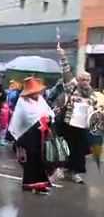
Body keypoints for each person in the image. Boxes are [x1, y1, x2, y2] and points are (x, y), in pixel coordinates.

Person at [58, 45, 99, 184]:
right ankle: (62, 168)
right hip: (69, 124)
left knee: (80, 151)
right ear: (78, 80)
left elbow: (95, 110)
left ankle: (74, 172)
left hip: (82, 127)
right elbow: (66, 72)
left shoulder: (92, 94)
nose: (85, 82)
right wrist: (63, 56)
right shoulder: (72, 87)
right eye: (82, 79)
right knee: (66, 147)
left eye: (87, 80)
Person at [8, 77, 54, 194]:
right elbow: (21, 119)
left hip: (41, 135)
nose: (36, 94)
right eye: (33, 92)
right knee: (30, 160)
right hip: (27, 136)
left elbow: (48, 111)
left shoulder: (41, 100)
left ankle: (42, 183)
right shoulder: (22, 102)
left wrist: (48, 118)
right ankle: (29, 184)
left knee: (41, 159)